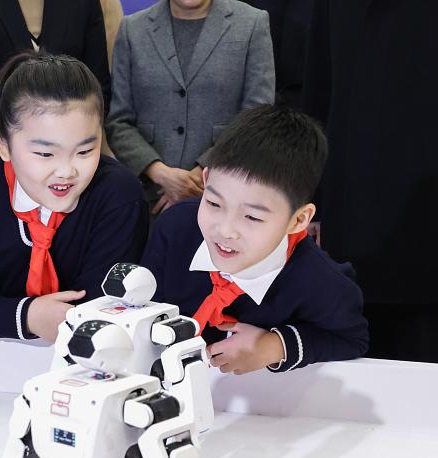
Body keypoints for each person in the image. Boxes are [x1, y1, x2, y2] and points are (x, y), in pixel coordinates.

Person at [141, 105, 368, 374]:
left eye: (252, 217)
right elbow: (144, 306)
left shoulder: (319, 281)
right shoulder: (175, 228)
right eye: (214, 203)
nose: (226, 230)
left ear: (299, 220)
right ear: (206, 179)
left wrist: (275, 346)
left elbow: (352, 338)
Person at [0, 52, 147, 342]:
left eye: (85, 151)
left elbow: (106, 305)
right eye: (45, 154)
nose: (67, 171)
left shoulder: (118, 196)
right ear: (2, 142)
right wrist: (26, 316)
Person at [302, 0, 438, 363]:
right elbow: (318, 91)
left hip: (421, 207)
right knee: (357, 346)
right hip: (353, 203)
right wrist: (313, 201)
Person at [106, 0, 274, 213]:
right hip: (151, 201)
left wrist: (200, 174)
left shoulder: (252, 23)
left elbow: (258, 119)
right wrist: (161, 174)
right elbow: (118, 122)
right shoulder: (132, 29)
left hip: (226, 199)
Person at [0, 0, 113, 172]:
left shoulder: (84, 4)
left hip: (73, 162)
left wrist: (71, 153)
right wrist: (13, 153)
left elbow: (98, 88)